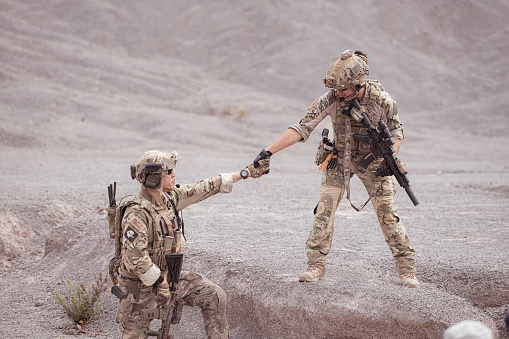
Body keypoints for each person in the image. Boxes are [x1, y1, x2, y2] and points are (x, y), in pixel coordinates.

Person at [249, 49, 419, 288]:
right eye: (336, 89)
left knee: (388, 214)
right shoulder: (331, 98)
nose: (338, 93)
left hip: (376, 163)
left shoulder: (383, 101)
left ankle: (407, 269)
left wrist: (388, 156)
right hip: (340, 158)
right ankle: (315, 265)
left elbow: (396, 135)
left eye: (343, 89)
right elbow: (301, 128)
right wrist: (268, 151)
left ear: (358, 84)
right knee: (324, 210)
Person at [115, 149, 268, 339]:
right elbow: (135, 258)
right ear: (154, 178)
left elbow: (205, 187)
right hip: (140, 289)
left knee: (215, 296)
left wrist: (246, 173)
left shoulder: (169, 199)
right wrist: (160, 282)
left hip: (166, 278)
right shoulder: (136, 212)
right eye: (169, 172)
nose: (174, 175)